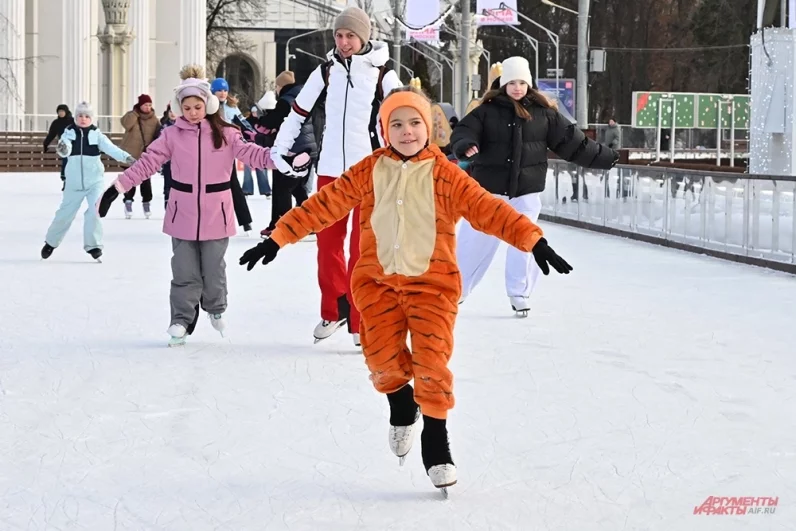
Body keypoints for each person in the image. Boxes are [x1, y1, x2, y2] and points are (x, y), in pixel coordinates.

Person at [238, 87, 573, 493]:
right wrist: (279, 237)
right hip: (376, 285)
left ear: (428, 128)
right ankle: (400, 403)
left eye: (414, 123)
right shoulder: (369, 170)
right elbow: (324, 204)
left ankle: (436, 440)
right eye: (396, 124)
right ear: (384, 131)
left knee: (432, 363)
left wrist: (533, 240)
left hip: (432, 286)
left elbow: (489, 210)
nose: (406, 131)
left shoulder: (445, 174)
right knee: (381, 361)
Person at [97, 65, 304, 346]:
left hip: (216, 211)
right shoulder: (171, 135)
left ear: (208, 105)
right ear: (179, 108)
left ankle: (215, 307)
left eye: (197, 107)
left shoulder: (226, 133)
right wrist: (118, 188)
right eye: (187, 108)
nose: (193, 112)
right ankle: (181, 320)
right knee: (184, 271)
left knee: (213, 269)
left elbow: (253, 154)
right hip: (181, 211)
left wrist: (282, 160)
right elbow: (147, 164)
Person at [270, 6, 403, 346]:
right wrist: (279, 148)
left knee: (361, 250)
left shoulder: (383, 73)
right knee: (327, 244)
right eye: (339, 36)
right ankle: (334, 309)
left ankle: (361, 321)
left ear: (364, 37)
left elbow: (404, 114)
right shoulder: (326, 70)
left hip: (369, 172)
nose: (344, 42)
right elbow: (297, 112)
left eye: (350, 36)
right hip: (330, 171)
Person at [450, 56, 618, 315]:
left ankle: (519, 292)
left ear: (529, 84)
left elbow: (574, 143)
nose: (517, 88)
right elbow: (463, 131)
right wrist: (465, 145)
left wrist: (605, 157)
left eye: (522, 82)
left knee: (526, 241)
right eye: (512, 82)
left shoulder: (544, 114)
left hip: (525, 193)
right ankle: (456, 289)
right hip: (488, 193)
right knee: (474, 242)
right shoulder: (486, 112)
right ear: (503, 84)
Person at [40, 101, 134, 262]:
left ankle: (94, 246)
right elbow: (65, 147)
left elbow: (111, 148)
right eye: (80, 116)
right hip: (73, 183)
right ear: (75, 117)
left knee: (94, 211)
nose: (83, 119)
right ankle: (51, 242)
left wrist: (127, 157)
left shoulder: (97, 135)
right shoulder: (69, 133)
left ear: (92, 118)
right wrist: (63, 148)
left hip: (94, 182)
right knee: (64, 214)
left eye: (87, 116)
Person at [257, 70, 315, 237]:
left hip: (291, 151)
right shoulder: (303, 97)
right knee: (297, 188)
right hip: (307, 149)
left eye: (277, 86)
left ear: (281, 86)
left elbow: (272, 121)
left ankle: (281, 226)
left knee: (282, 188)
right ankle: (311, 222)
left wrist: (260, 120)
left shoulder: (285, 101)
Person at [210, 77, 254, 233]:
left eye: (225, 90)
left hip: (227, 152)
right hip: (209, 152)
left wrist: (253, 135)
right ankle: (213, 220)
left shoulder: (231, 107)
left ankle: (245, 221)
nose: (222, 93)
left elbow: (244, 125)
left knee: (233, 184)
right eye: (219, 90)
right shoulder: (208, 107)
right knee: (211, 187)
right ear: (212, 92)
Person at [119, 94, 161, 218]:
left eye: (149, 105)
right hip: (130, 154)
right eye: (145, 105)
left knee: (146, 182)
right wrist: (135, 113)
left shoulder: (154, 119)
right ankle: (128, 202)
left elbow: (159, 134)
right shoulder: (132, 115)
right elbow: (126, 124)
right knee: (130, 180)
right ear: (140, 105)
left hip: (145, 155)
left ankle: (146, 203)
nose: (148, 107)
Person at [43, 104, 75, 190]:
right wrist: (45, 144)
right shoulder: (56, 123)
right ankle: (65, 181)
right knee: (65, 162)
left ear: (66, 112)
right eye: (59, 111)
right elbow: (51, 134)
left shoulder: (73, 121)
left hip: (74, 145)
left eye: (62, 111)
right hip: (64, 146)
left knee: (73, 164)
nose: (60, 113)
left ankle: (73, 183)